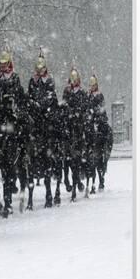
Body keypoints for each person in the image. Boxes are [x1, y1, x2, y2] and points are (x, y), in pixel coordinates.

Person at [0, 49, 26, 216]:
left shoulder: (15, 77)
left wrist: (12, 102)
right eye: (1, 64)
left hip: (11, 116)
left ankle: (22, 152)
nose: (3, 67)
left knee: (22, 128)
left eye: (5, 64)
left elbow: (19, 96)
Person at [27, 49, 59, 207]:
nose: (40, 71)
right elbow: (29, 96)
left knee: (53, 132)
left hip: (46, 118)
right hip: (35, 117)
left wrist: (45, 107)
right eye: (38, 68)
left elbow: (52, 97)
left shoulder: (50, 81)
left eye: (42, 68)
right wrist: (32, 104)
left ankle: (54, 154)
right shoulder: (32, 81)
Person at [62, 67, 89, 201]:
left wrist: (79, 112)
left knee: (84, 133)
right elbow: (64, 103)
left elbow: (85, 106)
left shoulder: (82, 92)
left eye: (75, 79)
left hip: (79, 122)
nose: (73, 82)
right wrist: (68, 112)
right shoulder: (66, 91)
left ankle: (83, 155)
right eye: (72, 80)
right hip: (69, 120)